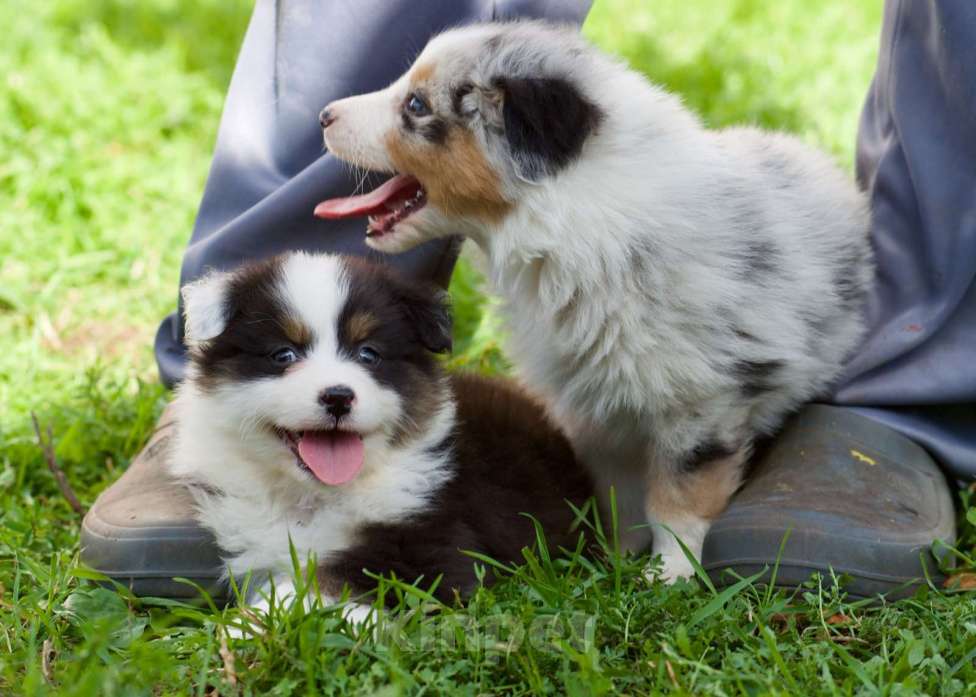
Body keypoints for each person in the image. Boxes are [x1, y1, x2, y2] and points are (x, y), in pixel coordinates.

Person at [81, 0, 971, 602]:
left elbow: (700, 399)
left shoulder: (657, 249)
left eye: (416, 112)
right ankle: (228, 385)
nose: (367, 116)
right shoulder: (557, 227)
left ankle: (893, 401)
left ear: (529, 149)